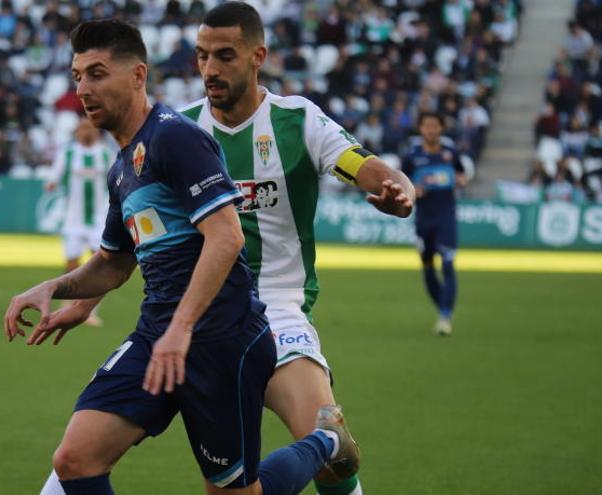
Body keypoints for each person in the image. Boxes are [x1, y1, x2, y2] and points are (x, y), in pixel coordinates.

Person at [38, 4, 416, 495]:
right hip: (191, 312)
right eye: (201, 57)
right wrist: (83, 302)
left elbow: (364, 165)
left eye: (224, 56)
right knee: (76, 458)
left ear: (257, 56)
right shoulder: (179, 128)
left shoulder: (297, 120)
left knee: (331, 456)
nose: (210, 69)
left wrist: (398, 189)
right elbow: (131, 243)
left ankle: (324, 447)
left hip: (277, 310)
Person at [402, 112, 467, 336]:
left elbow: (462, 174)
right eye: (427, 126)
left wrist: (460, 180)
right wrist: (413, 190)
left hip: (446, 218)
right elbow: (402, 182)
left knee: (448, 265)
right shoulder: (411, 156)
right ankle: (443, 309)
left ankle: (445, 316)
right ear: (421, 129)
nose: (431, 130)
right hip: (423, 220)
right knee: (428, 267)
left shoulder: (451, 153)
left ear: (441, 128)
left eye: (435, 125)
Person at [47, 117, 112, 326]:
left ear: (96, 131)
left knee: (98, 265)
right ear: (76, 132)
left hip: (99, 220)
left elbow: (117, 179)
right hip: (73, 220)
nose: (85, 132)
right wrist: (52, 184)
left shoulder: (105, 154)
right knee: (72, 265)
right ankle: (66, 305)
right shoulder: (67, 153)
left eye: (89, 128)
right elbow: (52, 180)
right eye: (82, 128)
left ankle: (90, 310)